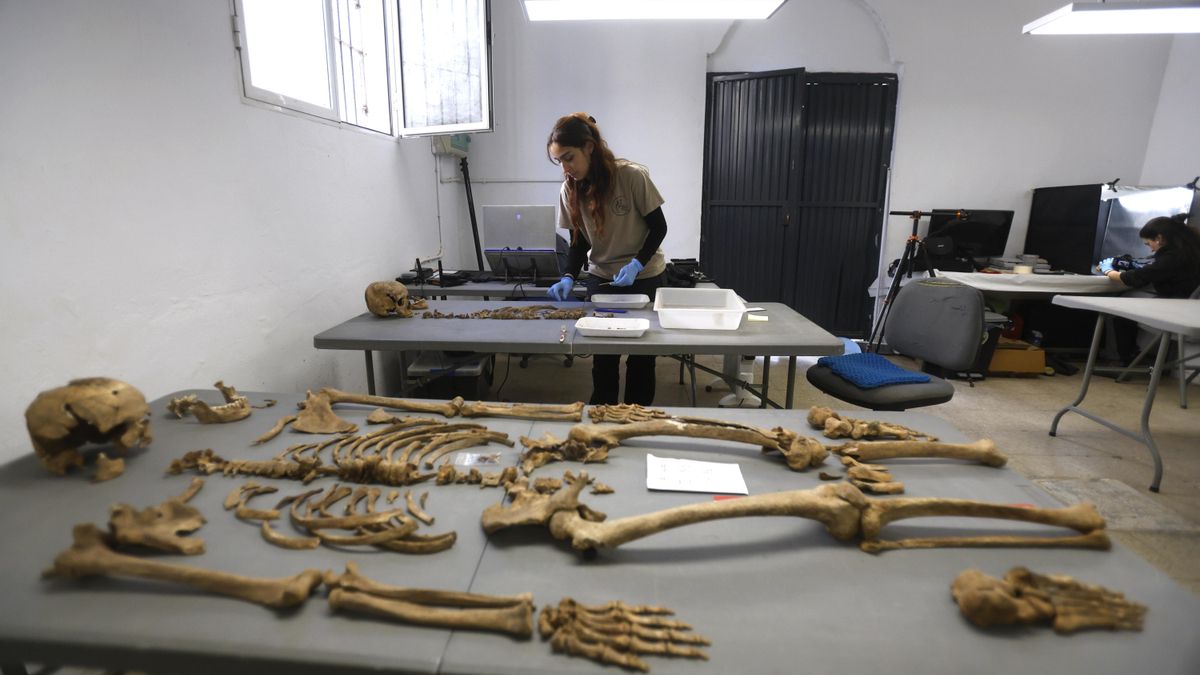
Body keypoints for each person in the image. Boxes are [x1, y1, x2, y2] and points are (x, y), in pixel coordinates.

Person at [545, 112, 668, 405]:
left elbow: (659, 227)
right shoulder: (570, 189)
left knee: (641, 358)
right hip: (602, 278)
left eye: (569, 158)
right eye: (559, 161)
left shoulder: (631, 176)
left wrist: (637, 263)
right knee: (604, 357)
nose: (565, 168)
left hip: (645, 276)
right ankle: (602, 416)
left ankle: (637, 418)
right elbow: (578, 241)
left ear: (589, 147)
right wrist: (568, 275)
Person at [1097, 213, 1200, 363]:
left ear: (1159, 238)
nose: (1151, 250)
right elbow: (1157, 272)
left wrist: (1107, 269)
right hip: (1188, 305)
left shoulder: (1171, 257)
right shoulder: (1190, 251)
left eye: (1148, 244)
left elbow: (1130, 278)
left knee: (1118, 305)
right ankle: (1131, 354)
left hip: (1177, 308)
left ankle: (1118, 359)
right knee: (1133, 296)